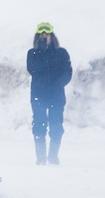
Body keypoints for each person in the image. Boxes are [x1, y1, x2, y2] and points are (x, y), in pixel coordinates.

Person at [26, 22, 71, 165]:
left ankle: (53, 156)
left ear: (52, 36)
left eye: (47, 35)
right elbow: (33, 70)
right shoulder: (32, 53)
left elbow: (68, 71)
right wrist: (42, 51)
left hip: (56, 95)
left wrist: (60, 83)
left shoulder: (62, 53)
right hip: (38, 95)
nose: (44, 38)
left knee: (56, 125)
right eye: (41, 36)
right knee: (39, 124)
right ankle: (40, 158)